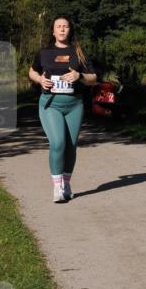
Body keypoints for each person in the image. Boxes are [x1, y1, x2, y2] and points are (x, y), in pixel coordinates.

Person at [28, 17, 98, 203]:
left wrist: (79, 75)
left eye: (65, 26)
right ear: (53, 31)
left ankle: (66, 184)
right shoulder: (44, 53)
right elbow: (32, 71)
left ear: (70, 30)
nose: (62, 29)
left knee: (71, 145)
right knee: (58, 143)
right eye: (58, 26)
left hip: (74, 105)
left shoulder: (78, 53)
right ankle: (57, 187)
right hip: (51, 104)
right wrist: (39, 80)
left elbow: (93, 78)